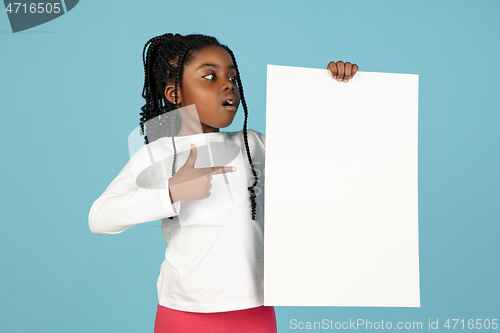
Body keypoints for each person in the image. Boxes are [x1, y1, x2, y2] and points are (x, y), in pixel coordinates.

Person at [88, 33, 358, 333]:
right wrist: (171, 191)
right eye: (210, 76)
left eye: (232, 75)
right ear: (174, 93)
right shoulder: (159, 152)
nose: (228, 84)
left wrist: (336, 92)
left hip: (255, 309)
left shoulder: (254, 144)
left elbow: (322, 161)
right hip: (184, 313)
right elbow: (100, 217)